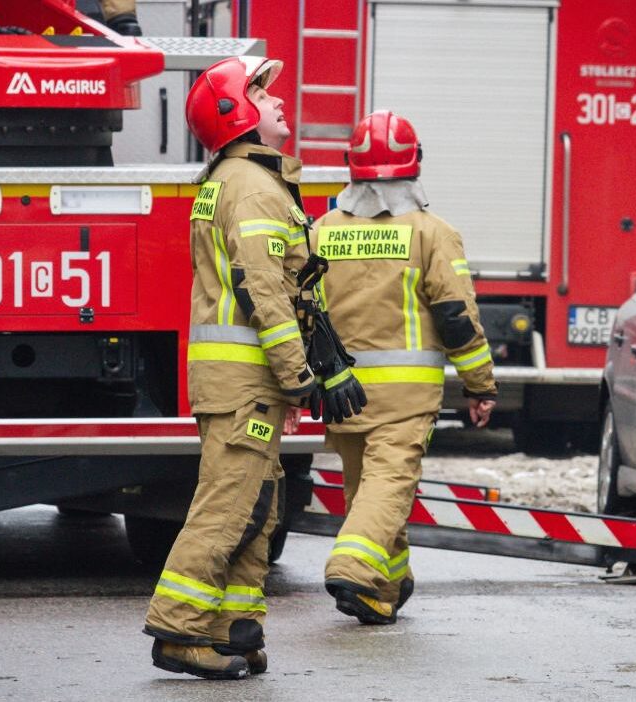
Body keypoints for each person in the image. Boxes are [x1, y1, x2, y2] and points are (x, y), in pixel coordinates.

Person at [142, 55, 364, 680]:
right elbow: (264, 287)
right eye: (263, 94)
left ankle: (233, 628)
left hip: (245, 382)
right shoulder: (251, 185)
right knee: (229, 505)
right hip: (246, 383)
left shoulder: (243, 181)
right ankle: (179, 631)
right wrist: (299, 373)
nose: (278, 101)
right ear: (235, 112)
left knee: (258, 505)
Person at [312, 110, 498, 625]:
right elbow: (456, 315)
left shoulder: (322, 231)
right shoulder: (432, 233)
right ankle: (352, 566)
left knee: (364, 490)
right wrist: (480, 385)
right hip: (405, 397)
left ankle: (384, 586)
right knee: (389, 486)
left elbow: (304, 310)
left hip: (341, 392)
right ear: (415, 163)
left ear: (350, 165)